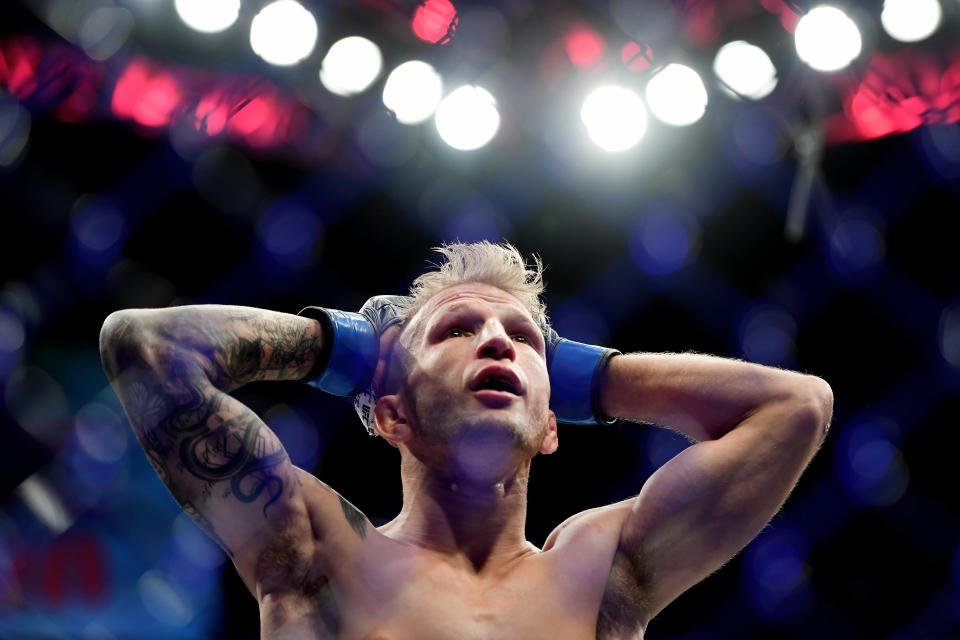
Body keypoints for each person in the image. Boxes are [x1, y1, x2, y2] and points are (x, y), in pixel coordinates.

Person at [98, 241, 833, 639]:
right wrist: (346, 348)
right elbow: (148, 347)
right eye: (457, 331)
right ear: (390, 414)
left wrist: (579, 376)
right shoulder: (322, 555)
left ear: (552, 428)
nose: (497, 343)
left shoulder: (603, 571)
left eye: (519, 340)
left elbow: (798, 404)